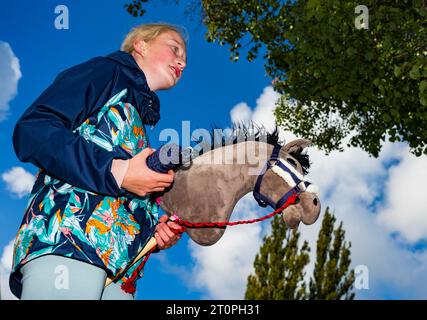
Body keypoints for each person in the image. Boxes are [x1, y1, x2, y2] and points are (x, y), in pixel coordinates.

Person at [9, 23, 187, 300]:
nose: (182, 62)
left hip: (120, 276)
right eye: (175, 49)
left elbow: (118, 197)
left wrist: (156, 232)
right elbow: (34, 130)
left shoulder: (140, 124)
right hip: (69, 248)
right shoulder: (106, 71)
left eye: (184, 58)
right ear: (140, 45)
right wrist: (119, 170)